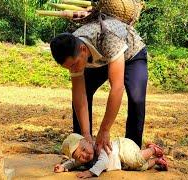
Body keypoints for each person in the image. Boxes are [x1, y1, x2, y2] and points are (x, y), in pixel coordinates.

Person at [50, 15, 148, 154]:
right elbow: (80, 96)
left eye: (74, 65)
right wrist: (86, 134)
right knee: (83, 93)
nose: (74, 70)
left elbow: (116, 88)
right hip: (101, 59)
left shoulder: (107, 38)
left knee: (136, 98)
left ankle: (132, 150)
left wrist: (104, 129)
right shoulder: (72, 52)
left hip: (132, 54)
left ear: (83, 49)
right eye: (69, 68)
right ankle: (83, 145)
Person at [54, 133, 167, 178]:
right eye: (79, 156)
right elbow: (74, 162)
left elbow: (104, 162)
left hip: (122, 147)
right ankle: (156, 160)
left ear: (88, 141)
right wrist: (64, 167)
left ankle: (152, 149)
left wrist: (90, 172)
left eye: (84, 149)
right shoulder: (82, 159)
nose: (84, 155)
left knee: (135, 160)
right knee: (141, 167)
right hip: (122, 163)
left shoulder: (98, 147)